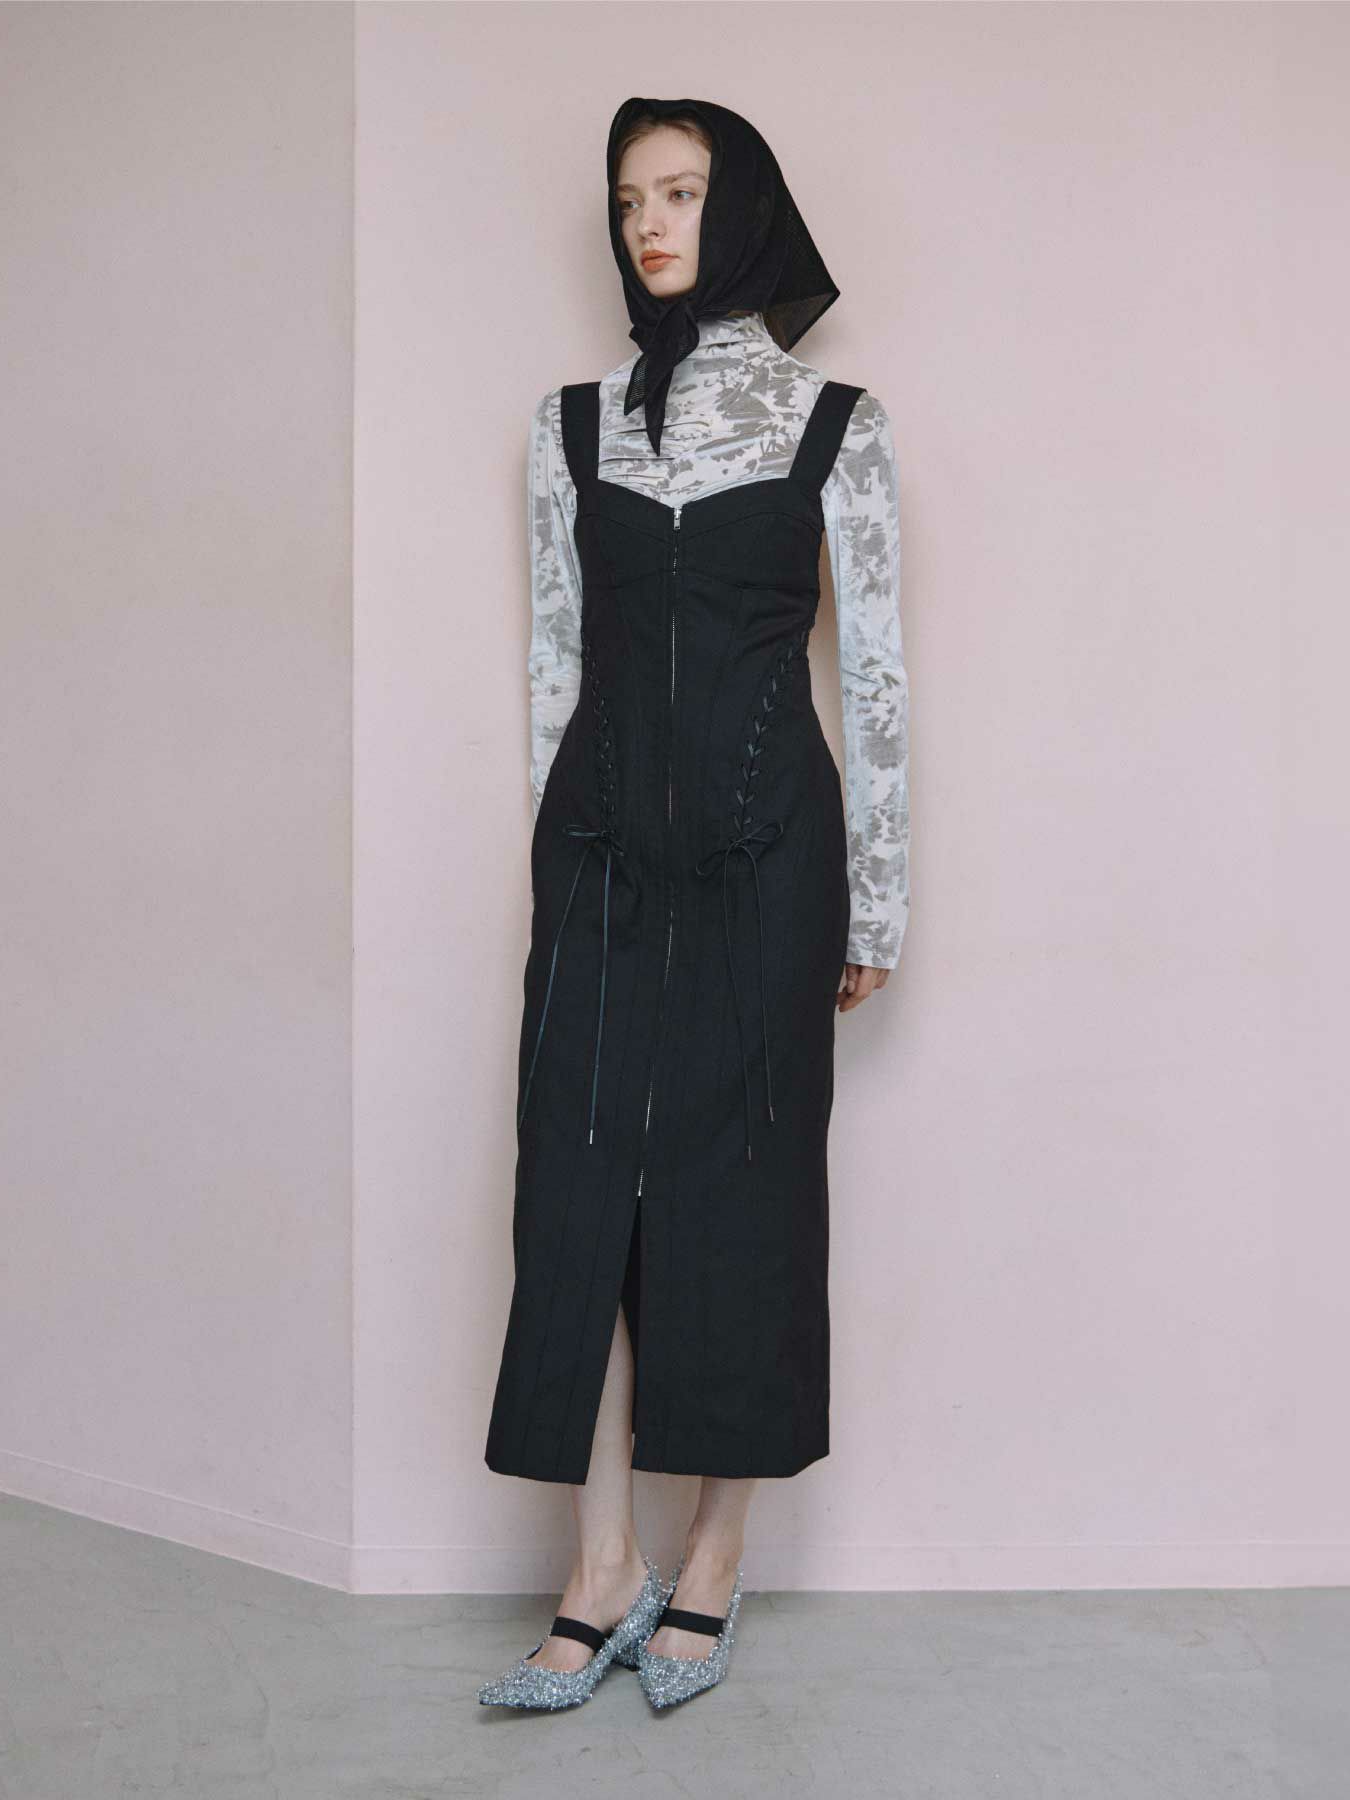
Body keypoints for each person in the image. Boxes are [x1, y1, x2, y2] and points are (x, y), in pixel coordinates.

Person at [479, 97, 909, 1712]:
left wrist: (879, 903)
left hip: (770, 850)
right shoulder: (569, 423)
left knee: (745, 1183)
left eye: (681, 192)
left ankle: (714, 1560)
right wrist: (556, 855)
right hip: (599, 849)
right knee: (574, 1180)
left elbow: (875, 672)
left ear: (744, 214)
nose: (651, 224)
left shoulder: (836, 423)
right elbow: (556, 663)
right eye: (629, 200)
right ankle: (599, 1569)